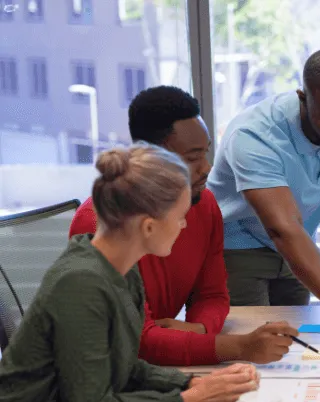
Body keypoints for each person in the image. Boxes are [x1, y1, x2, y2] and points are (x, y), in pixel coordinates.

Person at [0, 145, 261, 402]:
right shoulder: (82, 284)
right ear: (149, 226)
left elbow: (128, 366)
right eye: (180, 216)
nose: (186, 225)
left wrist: (189, 384)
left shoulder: (118, 266)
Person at [68, 86, 297, 366]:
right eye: (192, 158)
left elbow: (213, 294)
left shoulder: (204, 203)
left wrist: (200, 330)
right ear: (152, 158)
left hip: (153, 365)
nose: (207, 168)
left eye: (205, 153)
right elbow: (134, 339)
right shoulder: (99, 224)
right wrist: (237, 347)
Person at [208, 47, 320, 352]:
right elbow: (283, 228)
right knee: (252, 353)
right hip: (236, 249)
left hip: (299, 249)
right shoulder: (254, 135)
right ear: (303, 99)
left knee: (299, 349)